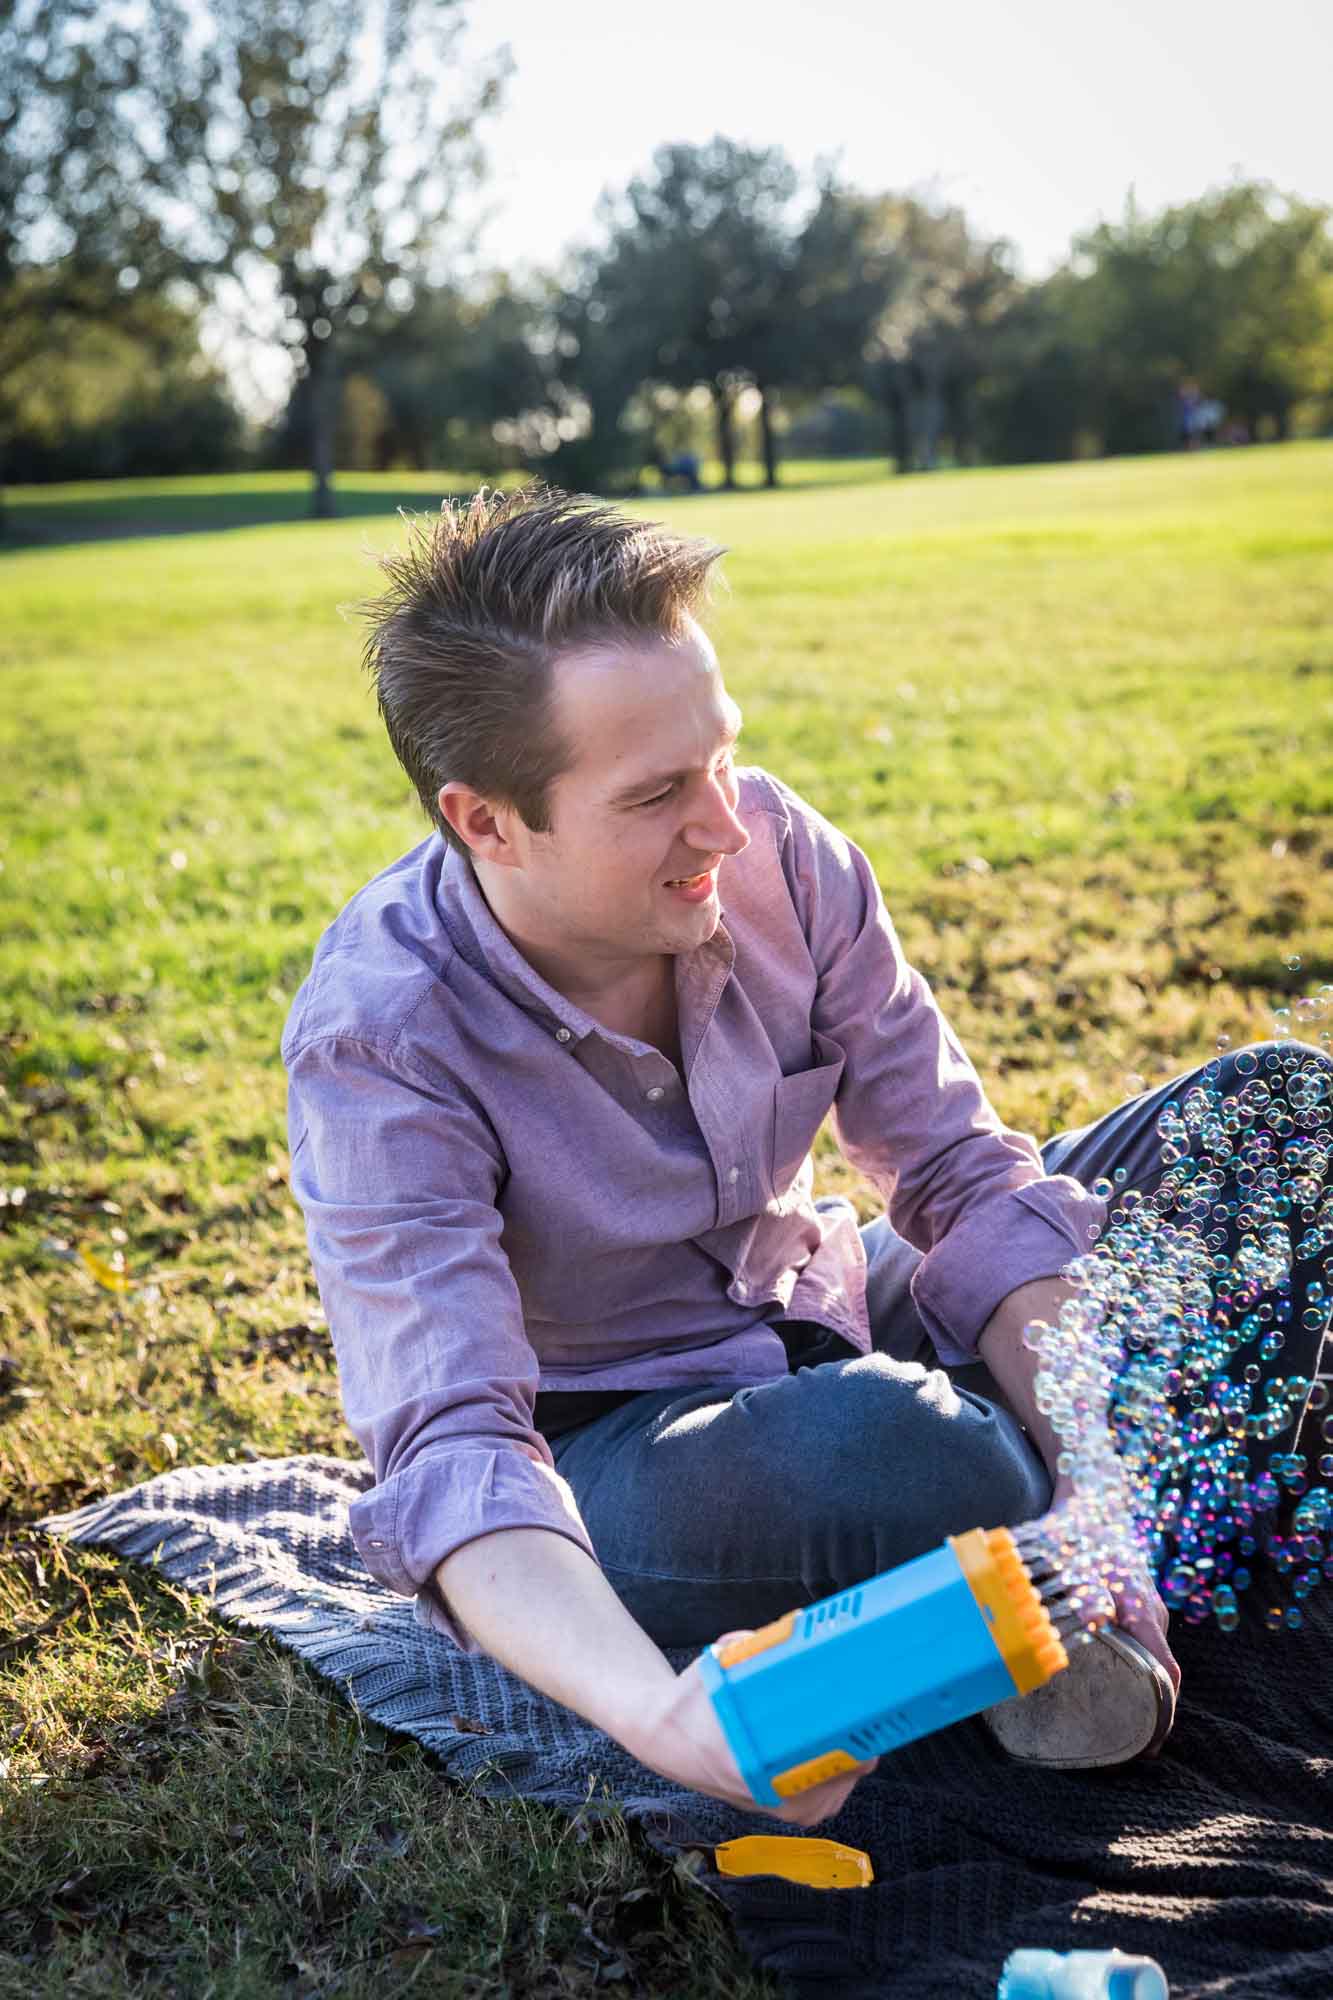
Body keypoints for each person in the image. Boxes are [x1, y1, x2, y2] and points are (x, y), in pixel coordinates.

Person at [282, 487, 1313, 1828]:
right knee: (914, 1454)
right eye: (655, 795)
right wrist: (663, 1718)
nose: (723, 824)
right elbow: (456, 1440)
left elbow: (957, 1173)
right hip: (618, 1443)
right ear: (484, 821)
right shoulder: (383, 1036)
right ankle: (1100, 1504)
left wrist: (1098, 1472)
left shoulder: (777, 850)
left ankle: (1075, 1535)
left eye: (720, 756)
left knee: (1277, 1115)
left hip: (818, 1294)